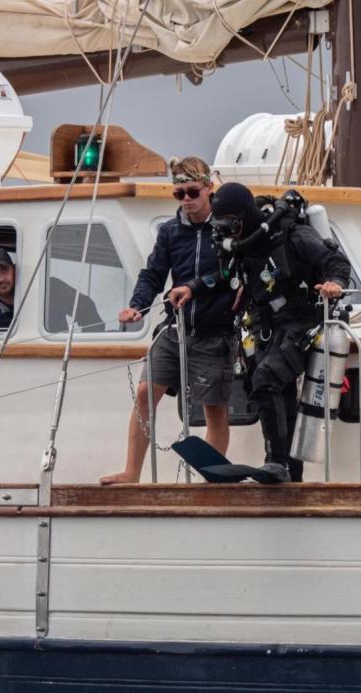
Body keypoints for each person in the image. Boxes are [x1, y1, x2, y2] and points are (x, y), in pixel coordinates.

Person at [171, 183, 351, 483]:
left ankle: (275, 460)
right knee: (279, 394)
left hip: (299, 323)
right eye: (223, 226)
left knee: (265, 381)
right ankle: (291, 474)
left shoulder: (290, 234)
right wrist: (193, 287)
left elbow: (335, 260)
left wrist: (335, 282)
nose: (230, 234)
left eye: (233, 225)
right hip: (263, 326)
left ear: (245, 216)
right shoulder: (238, 245)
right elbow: (224, 275)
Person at [99, 156, 237, 485]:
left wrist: (193, 287)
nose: (186, 200)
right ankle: (132, 472)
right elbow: (153, 273)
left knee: (213, 408)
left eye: (192, 192)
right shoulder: (171, 231)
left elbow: (229, 273)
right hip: (175, 328)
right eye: (179, 194)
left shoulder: (228, 228)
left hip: (214, 330)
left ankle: (213, 479)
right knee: (145, 392)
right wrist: (137, 306)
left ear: (208, 188)